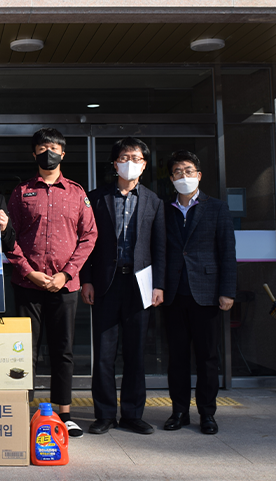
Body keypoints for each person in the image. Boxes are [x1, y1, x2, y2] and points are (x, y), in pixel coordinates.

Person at [6, 128, 97, 439]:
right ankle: (20, 410)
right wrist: (29, 272)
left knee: (63, 350)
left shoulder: (76, 192)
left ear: (63, 153)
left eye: (55, 147)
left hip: (64, 286)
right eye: (43, 148)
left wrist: (66, 274)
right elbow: (10, 239)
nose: (49, 152)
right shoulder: (20, 193)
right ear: (34, 154)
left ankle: (64, 412)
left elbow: (89, 237)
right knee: (23, 351)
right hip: (26, 284)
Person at [81, 137, 165, 436]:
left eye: (137, 158)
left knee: (135, 352)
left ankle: (132, 414)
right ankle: (104, 414)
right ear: (114, 162)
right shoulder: (96, 198)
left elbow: (159, 247)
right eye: (124, 157)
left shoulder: (154, 201)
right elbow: (88, 245)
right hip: (106, 283)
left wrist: (159, 286)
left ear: (144, 164)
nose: (130, 162)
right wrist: (86, 279)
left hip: (140, 284)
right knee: (104, 352)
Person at [162, 150, 236, 435]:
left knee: (207, 357)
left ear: (199, 175)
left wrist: (227, 291)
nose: (184, 176)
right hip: (174, 294)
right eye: (178, 171)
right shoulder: (164, 209)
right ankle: (179, 411)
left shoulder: (216, 208)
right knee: (177, 357)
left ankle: (207, 413)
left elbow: (227, 253)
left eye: (189, 170)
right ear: (171, 178)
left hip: (207, 293)